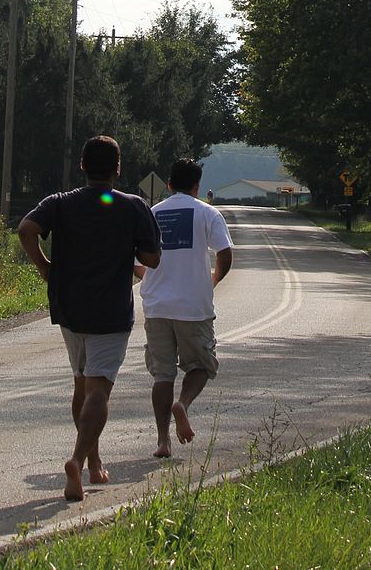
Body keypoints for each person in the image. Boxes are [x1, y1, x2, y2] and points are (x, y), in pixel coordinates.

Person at [18, 135, 161, 501]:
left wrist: (45, 267)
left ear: (82, 165)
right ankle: (78, 460)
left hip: (69, 309)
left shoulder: (59, 203)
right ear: (117, 168)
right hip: (109, 312)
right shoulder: (132, 206)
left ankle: (94, 462)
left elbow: (26, 229)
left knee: (81, 385)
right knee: (99, 391)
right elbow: (153, 258)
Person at [134, 158, 233, 459]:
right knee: (202, 365)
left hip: (157, 307)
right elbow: (225, 252)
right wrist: (213, 278)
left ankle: (163, 442)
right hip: (193, 307)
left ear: (168, 184)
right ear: (197, 186)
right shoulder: (207, 213)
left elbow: (137, 263)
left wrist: (154, 279)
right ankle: (183, 404)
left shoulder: (152, 213)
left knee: (162, 375)